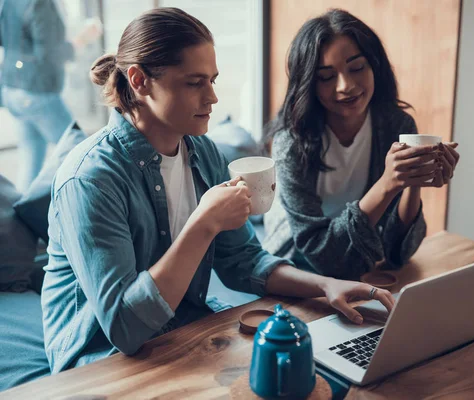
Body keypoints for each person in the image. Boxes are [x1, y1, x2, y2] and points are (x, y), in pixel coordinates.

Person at [40, 7, 395, 374]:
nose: (212, 97)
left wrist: (327, 286)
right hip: (101, 361)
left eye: (212, 80)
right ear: (139, 81)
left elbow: (245, 261)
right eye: (194, 83)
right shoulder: (90, 180)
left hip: (184, 329)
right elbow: (124, 329)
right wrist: (204, 224)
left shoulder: (201, 151)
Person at [263, 9, 460, 280]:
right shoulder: (291, 144)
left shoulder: (395, 125)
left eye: (357, 68)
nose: (345, 86)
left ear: (374, 66)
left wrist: (412, 181)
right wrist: (387, 184)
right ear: (309, 83)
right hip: (297, 259)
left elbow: (397, 253)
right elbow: (321, 254)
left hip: (361, 248)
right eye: (326, 77)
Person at [0, 0, 101, 191]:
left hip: (12, 89)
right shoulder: (41, 3)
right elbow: (50, 55)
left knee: (31, 161)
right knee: (85, 153)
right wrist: (84, 38)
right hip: (36, 93)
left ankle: (23, 215)